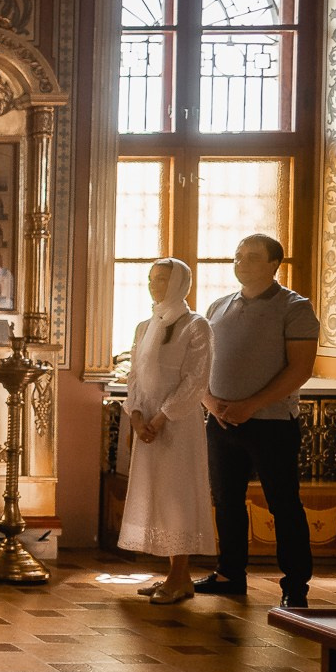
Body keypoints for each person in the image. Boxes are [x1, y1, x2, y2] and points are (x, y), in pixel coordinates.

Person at [196, 234, 320, 609]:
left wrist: (251, 404)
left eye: (251, 257)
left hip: (272, 422)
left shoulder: (294, 307)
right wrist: (211, 403)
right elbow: (200, 364)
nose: (241, 263)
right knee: (227, 502)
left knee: (284, 504)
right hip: (220, 421)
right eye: (237, 256)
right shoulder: (218, 306)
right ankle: (230, 573)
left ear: (273, 265)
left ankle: (295, 586)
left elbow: (300, 369)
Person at [120, 259, 215, 604]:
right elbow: (135, 374)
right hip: (146, 423)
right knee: (156, 493)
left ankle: (180, 575)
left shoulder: (196, 326)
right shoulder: (145, 326)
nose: (153, 284)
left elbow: (196, 380)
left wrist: (160, 419)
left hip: (177, 424)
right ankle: (171, 575)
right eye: (151, 278)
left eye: (161, 279)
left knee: (178, 495)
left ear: (180, 283)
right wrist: (136, 416)